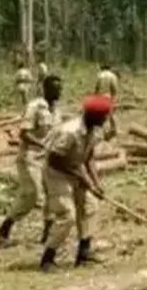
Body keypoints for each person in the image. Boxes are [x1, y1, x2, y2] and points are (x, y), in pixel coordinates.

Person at [39, 95, 114, 271]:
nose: (106, 119)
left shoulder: (95, 130)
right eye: (104, 116)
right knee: (67, 215)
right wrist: (81, 178)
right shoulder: (70, 131)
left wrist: (96, 183)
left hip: (75, 169)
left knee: (90, 207)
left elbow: (89, 158)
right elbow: (55, 159)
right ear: (94, 116)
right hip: (56, 173)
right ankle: (47, 258)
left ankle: (83, 254)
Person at [0, 74, 62, 245]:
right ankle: (4, 229)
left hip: (48, 159)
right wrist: (42, 145)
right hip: (30, 157)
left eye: (60, 88)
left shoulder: (57, 111)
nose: (58, 91)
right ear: (45, 89)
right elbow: (24, 133)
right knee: (33, 195)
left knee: (51, 194)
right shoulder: (35, 107)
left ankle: (48, 232)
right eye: (55, 88)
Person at [94, 64, 120, 136]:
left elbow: (96, 88)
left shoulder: (99, 75)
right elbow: (114, 88)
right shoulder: (112, 76)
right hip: (108, 96)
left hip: (100, 96)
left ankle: (102, 131)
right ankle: (114, 129)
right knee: (111, 114)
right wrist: (114, 98)